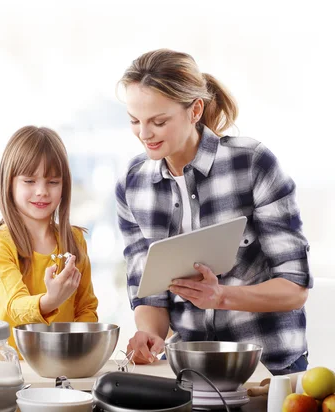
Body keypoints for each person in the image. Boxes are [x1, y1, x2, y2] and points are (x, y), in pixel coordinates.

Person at [115, 49, 312, 375]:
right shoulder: (133, 185)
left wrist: (221, 296)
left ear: (195, 110)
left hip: (270, 369)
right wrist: (149, 335)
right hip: (189, 370)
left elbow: (294, 288)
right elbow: (149, 293)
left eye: (159, 121)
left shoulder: (251, 164)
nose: (144, 134)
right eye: (135, 121)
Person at [0, 125, 98, 351]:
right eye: (29, 181)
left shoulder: (74, 240)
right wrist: (51, 301)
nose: (42, 191)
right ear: (9, 184)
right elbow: (15, 306)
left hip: (60, 365)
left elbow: (86, 308)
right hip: (7, 368)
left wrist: (77, 349)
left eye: (53, 182)